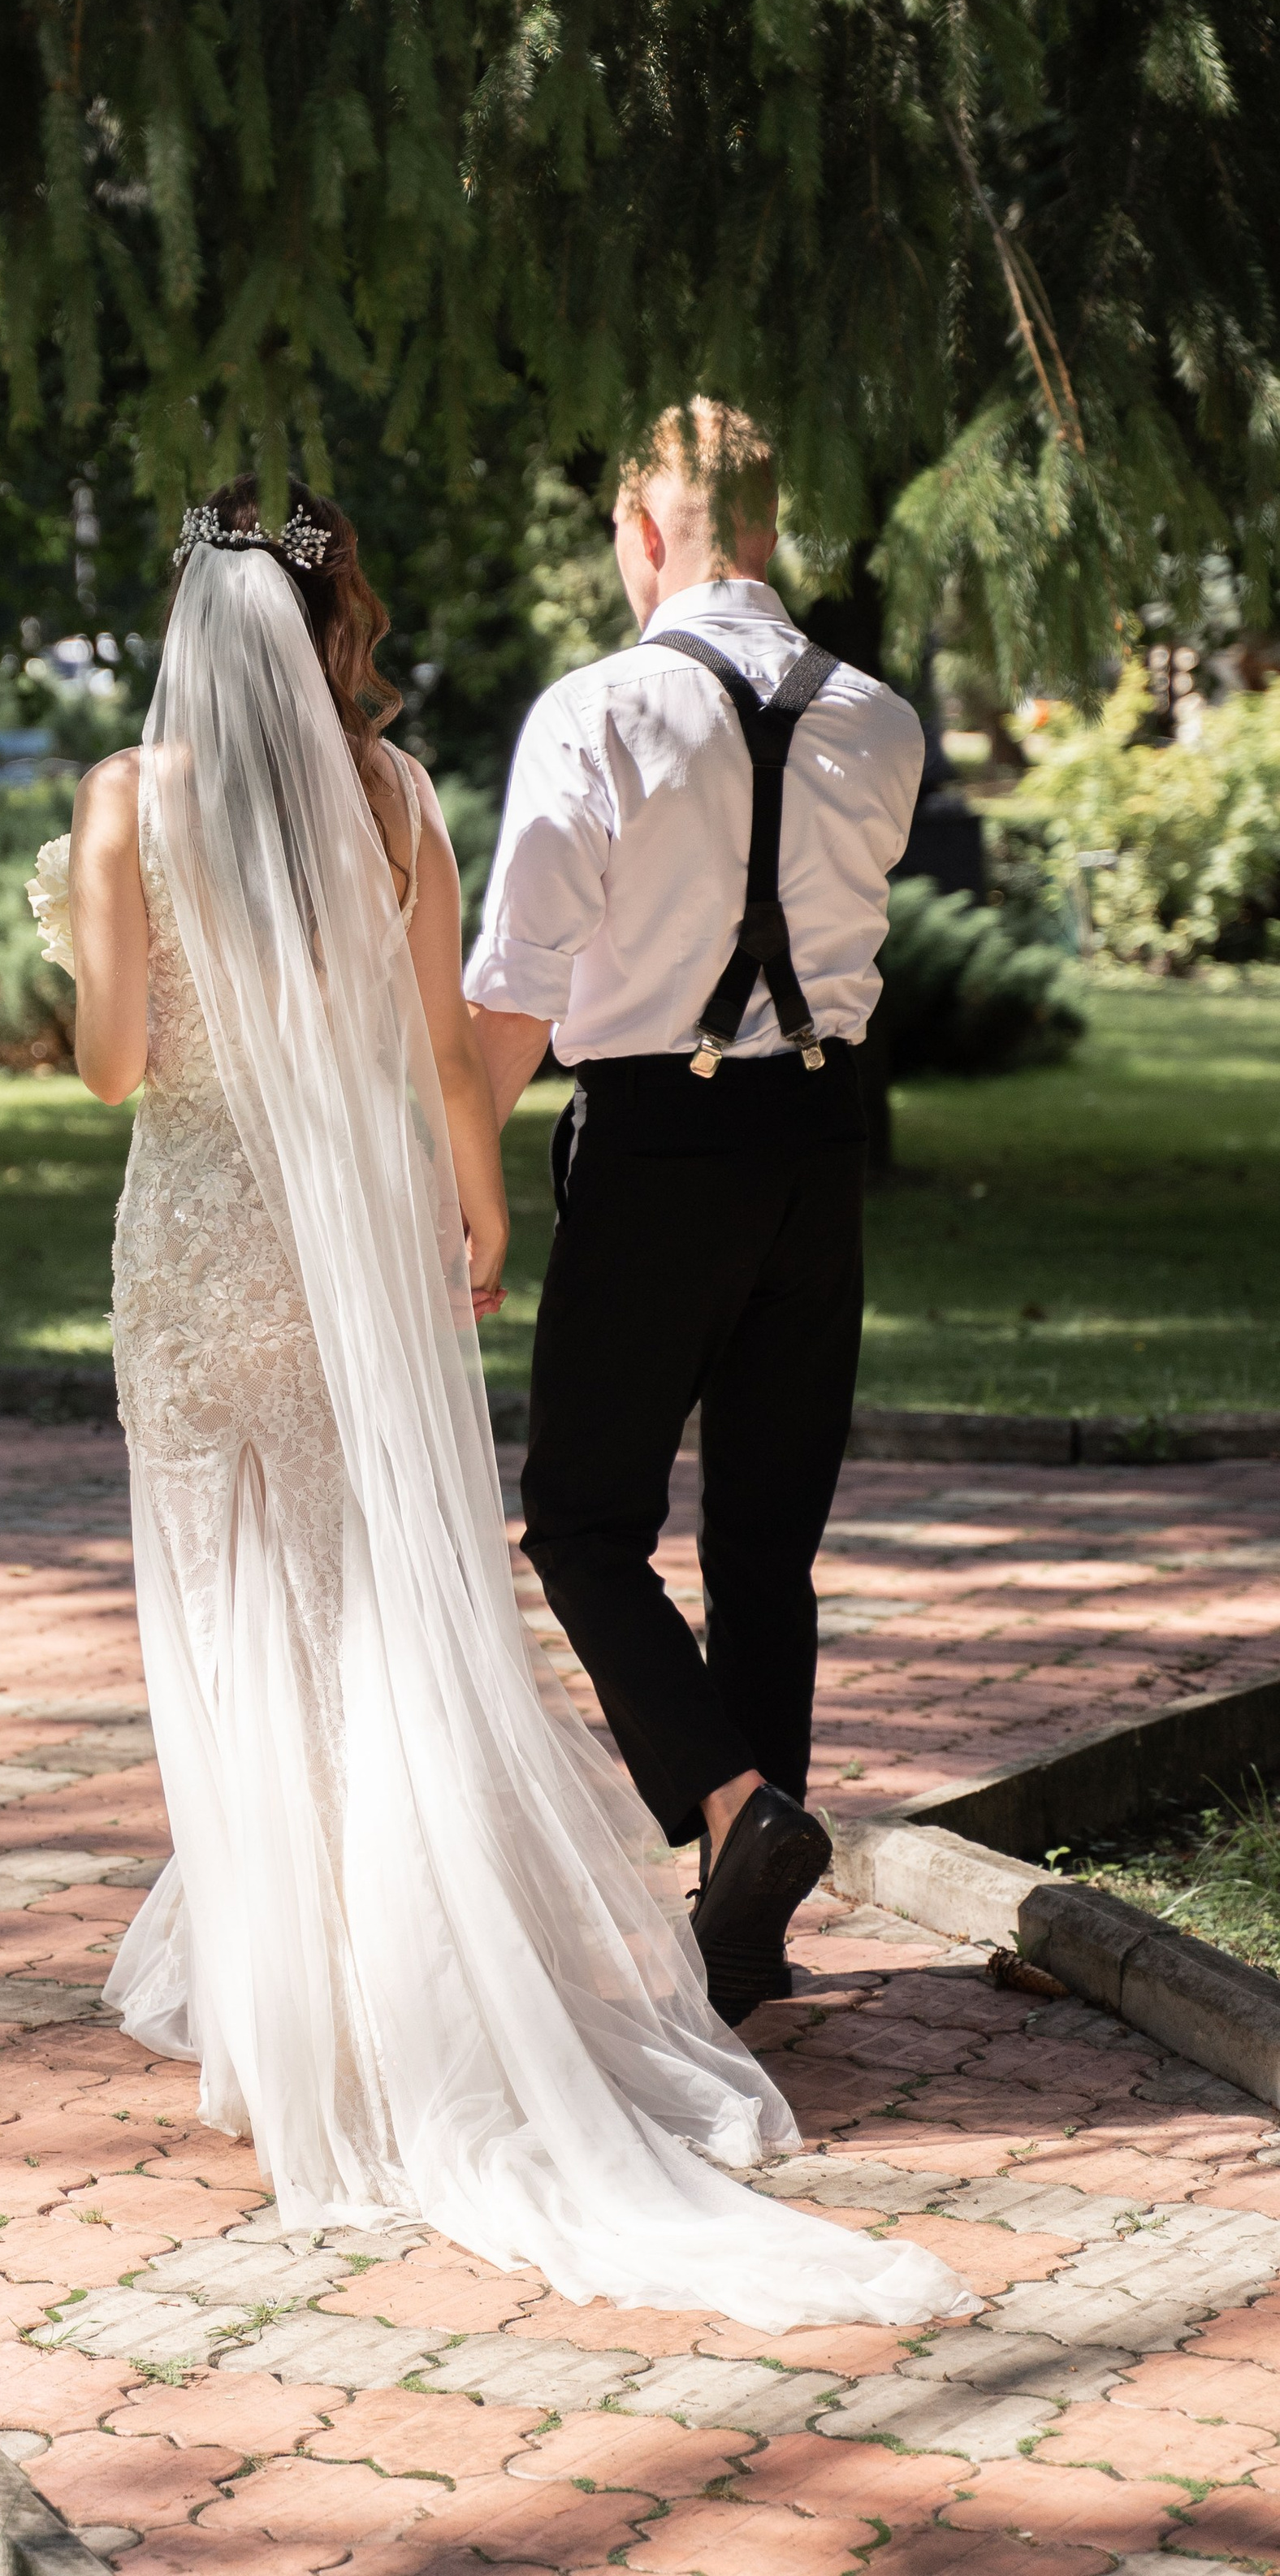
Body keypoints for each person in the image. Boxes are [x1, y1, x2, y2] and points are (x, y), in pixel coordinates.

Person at [35, 478, 964, 2327]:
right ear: (329, 622)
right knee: (367, 1588)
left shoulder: (127, 804)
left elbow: (109, 1064)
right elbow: (444, 1047)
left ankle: (289, 1985)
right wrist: (472, 1204)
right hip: (357, 1236)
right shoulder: (389, 801)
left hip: (201, 1229)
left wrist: (80, 943)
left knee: (230, 1592)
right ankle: (405, 1952)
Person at [465, 403, 924, 2028]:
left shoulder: (595, 710)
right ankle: (749, 1935)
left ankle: (739, 1808)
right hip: (816, 1146)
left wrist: (452, 1165)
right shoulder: (880, 719)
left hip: (658, 1141)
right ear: (767, 529)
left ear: (639, 531)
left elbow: (514, 991)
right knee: (763, 1543)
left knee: (583, 1519)